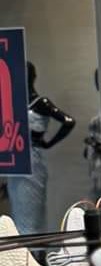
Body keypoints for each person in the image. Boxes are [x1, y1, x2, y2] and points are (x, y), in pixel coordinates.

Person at [8, 62, 75, 236]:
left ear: (33, 77)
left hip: (32, 159)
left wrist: (48, 142)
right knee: (18, 210)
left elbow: (68, 121)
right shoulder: (13, 104)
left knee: (32, 210)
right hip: (16, 159)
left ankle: (36, 251)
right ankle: (25, 249)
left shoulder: (41, 103)